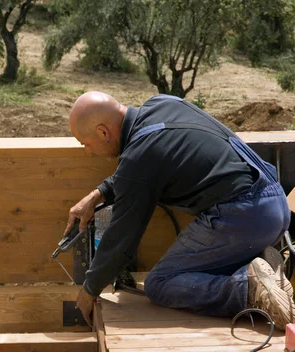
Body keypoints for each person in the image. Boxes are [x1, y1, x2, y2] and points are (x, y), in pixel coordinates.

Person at [64, 91, 295, 329]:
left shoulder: (138, 159)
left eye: (86, 144)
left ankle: (249, 290)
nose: (88, 152)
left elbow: (121, 238)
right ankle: (262, 264)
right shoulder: (162, 103)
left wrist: (89, 290)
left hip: (243, 216)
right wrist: (98, 194)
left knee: (160, 284)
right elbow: (143, 169)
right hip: (275, 206)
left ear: (103, 132)